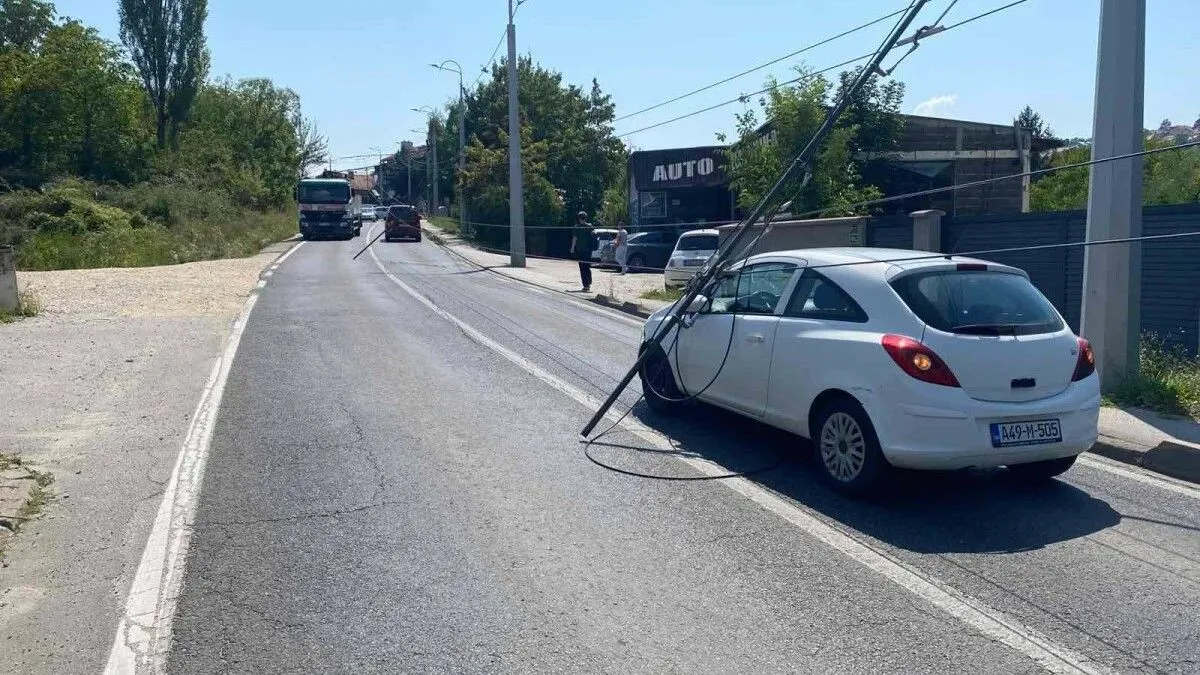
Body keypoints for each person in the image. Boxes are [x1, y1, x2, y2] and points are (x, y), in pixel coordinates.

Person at [570, 211, 594, 292]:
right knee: (587, 266)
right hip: (588, 250)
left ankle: (585, 285)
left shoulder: (577, 227)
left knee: (582, 268)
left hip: (580, 250)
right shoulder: (590, 226)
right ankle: (589, 282)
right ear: (585, 218)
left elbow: (575, 238)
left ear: (579, 218)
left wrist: (572, 248)